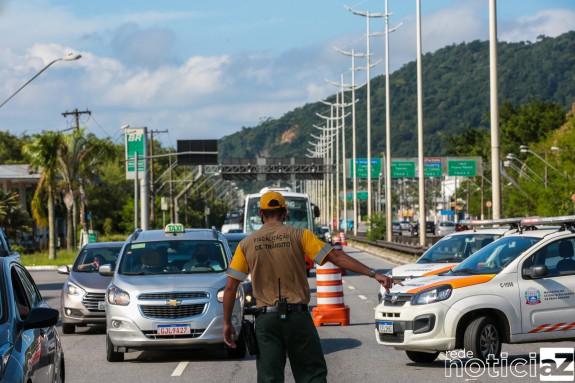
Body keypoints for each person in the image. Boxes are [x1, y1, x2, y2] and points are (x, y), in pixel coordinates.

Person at [222, 190, 393, 383]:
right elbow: (336, 257)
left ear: (261, 214)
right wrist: (374, 274)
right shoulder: (300, 235)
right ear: (285, 212)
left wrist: (227, 323)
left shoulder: (246, 244)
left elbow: (230, 288)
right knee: (312, 376)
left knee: (269, 378)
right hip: (297, 318)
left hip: (266, 321)